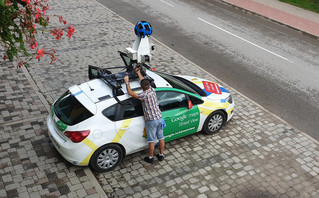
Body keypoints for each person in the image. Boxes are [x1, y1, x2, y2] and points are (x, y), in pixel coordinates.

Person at [124, 66, 165, 163]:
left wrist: (127, 82)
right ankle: (161, 155)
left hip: (151, 121)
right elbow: (144, 81)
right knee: (161, 137)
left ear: (142, 88)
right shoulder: (152, 90)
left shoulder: (143, 96)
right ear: (149, 85)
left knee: (151, 140)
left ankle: (150, 158)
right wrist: (138, 73)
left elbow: (130, 93)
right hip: (159, 118)